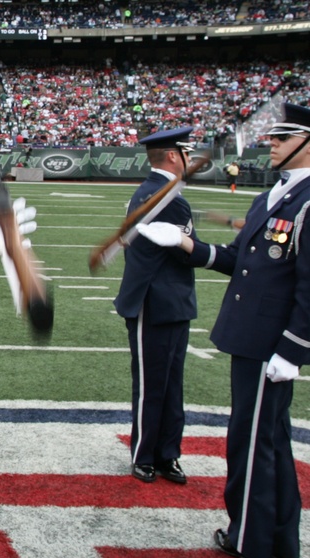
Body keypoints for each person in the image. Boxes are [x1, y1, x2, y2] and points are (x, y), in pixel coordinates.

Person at [138, 101, 310, 558]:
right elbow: (235, 259)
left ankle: (248, 540)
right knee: (269, 439)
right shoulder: (274, 195)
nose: (270, 143)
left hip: (271, 342)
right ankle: (280, 542)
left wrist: (294, 349)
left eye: (282, 137)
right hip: (252, 336)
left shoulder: (307, 199)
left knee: (251, 443)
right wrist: (187, 244)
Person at [114, 127, 198, 485]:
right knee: (153, 385)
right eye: (187, 153)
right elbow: (182, 253)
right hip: (156, 301)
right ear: (174, 156)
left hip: (172, 301)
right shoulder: (163, 196)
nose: (190, 160)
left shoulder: (158, 193)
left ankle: (167, 453)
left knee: (171, 384)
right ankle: (147, 453)